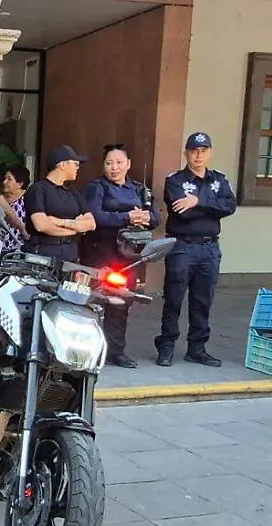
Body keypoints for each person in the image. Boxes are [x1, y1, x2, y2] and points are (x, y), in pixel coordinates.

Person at [155, 132, 237, 368]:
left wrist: (198, 202)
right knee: (174, 298)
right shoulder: (176, 180)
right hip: (182, 245)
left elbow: (229, 206)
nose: (198, 155)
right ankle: (166, 347)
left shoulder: (219, 180)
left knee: (203, 300)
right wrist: (210, 206)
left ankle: (197, 348)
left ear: (210, 152)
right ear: (186, 153)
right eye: (193, 150)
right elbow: (182, 211)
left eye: (203, 150)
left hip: (209, 247)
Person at [82, 144, 158, 368]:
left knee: (121, 303)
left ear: (128, 164)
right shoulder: (96, 187)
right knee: (94, 303)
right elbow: (95, 216)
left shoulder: (139, 189)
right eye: (109, 163)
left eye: (118, 163)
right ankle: (90, 350)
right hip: (100, 253)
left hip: (128, 256)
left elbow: (155, 218)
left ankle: (116, 351)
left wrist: (144, 218)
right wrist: (127, 217)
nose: (114, 168)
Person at [25, 145, 96, 262]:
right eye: (75, 164)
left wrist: (62, 222)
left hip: (70, 252)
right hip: (43, 251)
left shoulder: (73, 192)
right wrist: (73, 229)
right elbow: (41, 225)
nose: (77, 168)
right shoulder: (38, 189)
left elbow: (91, 224)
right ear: (62, 165)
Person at [0, 164, 32, 243]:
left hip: (18, 249)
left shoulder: (29, 199)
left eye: (9, 179)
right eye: (5, 179)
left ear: (20, 184)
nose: (4, 182)